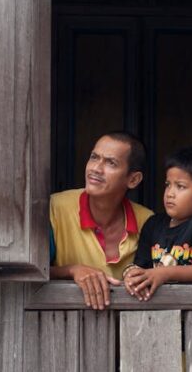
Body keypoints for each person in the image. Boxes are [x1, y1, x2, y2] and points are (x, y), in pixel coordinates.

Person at [50, 132, 153, 310]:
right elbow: (30, 271)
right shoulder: (54, 208)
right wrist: (72, 270)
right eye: (94, 157)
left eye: (111, 163)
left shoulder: (148, 222)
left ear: (133, 179)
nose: (96, 168)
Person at [122, 147, 192, 301]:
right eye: (167, 184)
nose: (170, 193)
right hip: (155, 308)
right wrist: (130, 273)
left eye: (180, 186)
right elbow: (141, 266)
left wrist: (165, 273)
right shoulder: (153, 224)